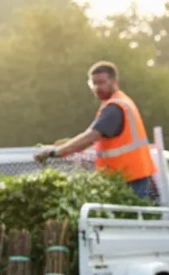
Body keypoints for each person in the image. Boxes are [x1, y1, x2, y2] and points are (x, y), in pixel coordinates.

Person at [35, 61, 159, 200]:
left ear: (114, 81)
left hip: (128, 180)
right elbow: (105, 141)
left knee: (126, 213)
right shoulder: (120, 102)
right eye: (94, 83)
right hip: (130, 176)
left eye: (101, 82)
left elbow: (91, 136)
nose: (97, 88)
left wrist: (56, 152)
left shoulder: (114, 108)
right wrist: (66, 145)